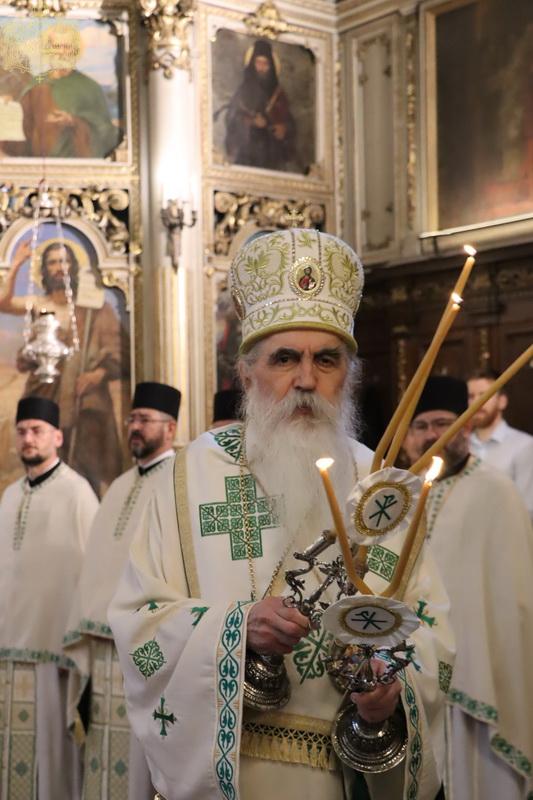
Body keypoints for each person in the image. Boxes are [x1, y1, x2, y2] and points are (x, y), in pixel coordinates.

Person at [109, 229, 454, 800]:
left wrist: (391, 690)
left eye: (327, 359)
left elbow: (431, 632)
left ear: (349, 375)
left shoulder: (381, 487)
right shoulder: (187, 477)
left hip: (340, 778)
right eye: (285, 358)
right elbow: (138, 622)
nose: (306, 380)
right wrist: (236, 628)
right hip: (222, 773)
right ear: (247, 372)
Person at [405, 375, 533, 799]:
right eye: (421, 426)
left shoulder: (496, 491)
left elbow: (516, 598)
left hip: (477, 672)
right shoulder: (398, 494)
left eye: (443, 423)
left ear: (465, 426)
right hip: (412, 671)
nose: (432, 435)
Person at [64, 382, 180, 800]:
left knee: (140, 758)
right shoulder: (119, 486)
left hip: (145, 648)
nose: (134, 427)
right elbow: (96, 566)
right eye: (132, 419)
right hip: (102, 647)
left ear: (170, 428)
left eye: (144, 420)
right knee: (102, 756)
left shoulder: (178, 482)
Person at [0, 396, 98, 799]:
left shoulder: (77, 493)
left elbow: (92, 574)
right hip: (8, 655)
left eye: (37, 430)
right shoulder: (9, 495)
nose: (28, 438)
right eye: (22, 431)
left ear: (57, 437)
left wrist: (76, 646)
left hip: (54, 656)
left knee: (52, 765)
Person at [0, 237, 129, 496]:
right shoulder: (39, 304)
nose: (59, 267)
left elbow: (118, 349)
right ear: (45, 270)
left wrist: (98, 374)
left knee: (83, 464)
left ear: (74, 266)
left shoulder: (94, 309)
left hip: (83, 399)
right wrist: (16, 264)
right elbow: (3, 303)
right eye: (52, 262)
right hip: (44, 392)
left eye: (64, 261)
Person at [18, 22, 120, 158]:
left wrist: (73, 121)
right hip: (38, 161)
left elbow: (105, 132)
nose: (61, 52)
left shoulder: (89, 87)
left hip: (75, 161)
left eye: (66, 47)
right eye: (56, 46)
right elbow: (24, 126)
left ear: (75, 51)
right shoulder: (35, 84)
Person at [468, 368, 533, 522]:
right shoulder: (461, 447)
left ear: (502, 401)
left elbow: (528, 507)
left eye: (484, 395)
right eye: (471, 396)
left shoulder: (524, 445)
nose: (476, 402)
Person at [225, 39, 296, 171]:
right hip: (248, 156)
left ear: (271, 66)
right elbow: (231, 119)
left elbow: (290, 122)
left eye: (265, 64)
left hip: (273, 155)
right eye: (258, 63)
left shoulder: (279, 94)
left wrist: (284, 129)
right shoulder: (243, 91)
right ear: (252, 64)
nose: (262, 68)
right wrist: (251, 122)